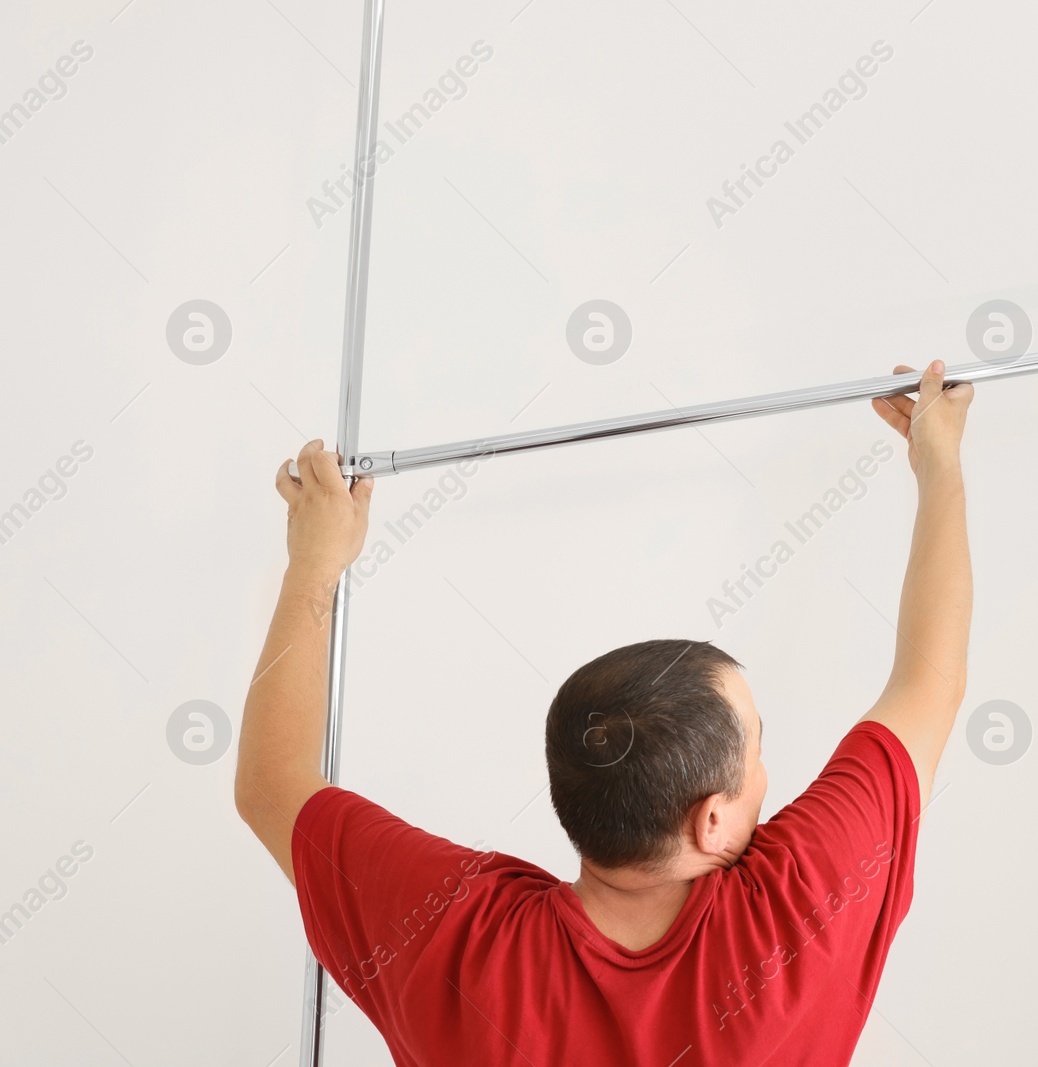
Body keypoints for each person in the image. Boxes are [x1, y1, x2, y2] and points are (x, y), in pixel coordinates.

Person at [235, 360, 975, 1066]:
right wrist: (938, 462)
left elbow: (271, 784)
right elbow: (928, 680)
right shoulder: (795, 913)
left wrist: (314, 562)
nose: (766, 774)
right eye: (754, 755)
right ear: (710, 821)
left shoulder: (456, 937)